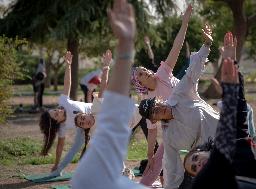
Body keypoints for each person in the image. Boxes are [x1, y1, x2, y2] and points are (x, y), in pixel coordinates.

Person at [182, 33, 256, 188]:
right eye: (194, 168)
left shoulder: (234, 142)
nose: (198, 163)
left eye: (195, 158)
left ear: (202, 150)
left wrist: (232, 64)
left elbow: (240, 106)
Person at [71, 0, 147, 188]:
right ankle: (126, 172)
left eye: (83, 118)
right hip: (129, 123)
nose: (84, 121)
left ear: (87, 114)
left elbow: (107, 90)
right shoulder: (97, 136)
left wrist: (110, 64)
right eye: (82, 123)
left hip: (136, 113)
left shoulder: (97, 110)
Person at [138, 26, 219, 189]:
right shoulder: (169, 137)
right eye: (154, 112)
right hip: (211, 156)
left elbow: (191, 73)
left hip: (223, 128)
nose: (158, 109)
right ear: (154, 118)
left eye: (156, 105)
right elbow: (170, 166)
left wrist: (206, 45)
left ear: (160, 100)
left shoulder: (178, 94)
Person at [39, 51, 93, 178]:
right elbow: (60, 146)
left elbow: (67, 84)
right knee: (75, 148)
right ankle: (59, 170)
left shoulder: (63, 102)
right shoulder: (62, 128)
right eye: (56, 115)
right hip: (83, 127)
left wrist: (68, 65)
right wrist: (57, 164)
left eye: (55, 110)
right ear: (57, 122)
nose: (58, 111)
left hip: (95, 112)